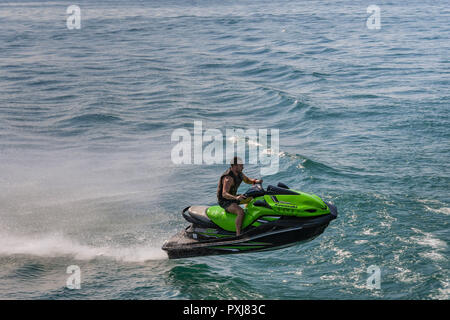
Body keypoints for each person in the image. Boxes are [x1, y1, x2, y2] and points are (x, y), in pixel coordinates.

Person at [217, 157, 263, 236]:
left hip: (234, 197)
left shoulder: (239, 173)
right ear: (235, 166)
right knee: (240, 212)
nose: (243, 167)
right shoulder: (228, 178)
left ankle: (249, 221)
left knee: (252, 198)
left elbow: (247, 180)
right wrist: (236, 198)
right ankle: (238, 234)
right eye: (241, 165)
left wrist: (255, 181)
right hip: (225, 201)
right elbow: (224, 194)